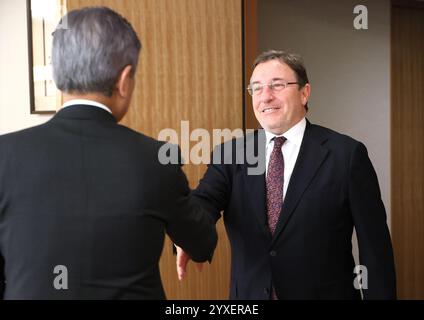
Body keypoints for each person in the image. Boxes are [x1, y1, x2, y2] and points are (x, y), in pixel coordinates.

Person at [0, 6, 217, 300]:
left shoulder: (6, 154)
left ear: (57, 76)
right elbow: (202, 242)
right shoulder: (157, 159)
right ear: (124, 80)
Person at [177, 50, 396, 299]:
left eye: (277, 85)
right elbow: (203, 202)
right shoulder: (231, 154)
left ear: (305, 93)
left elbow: (375, 248)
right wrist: (187, 234)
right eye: (256, 88)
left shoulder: (346, 155)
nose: (265, 96)